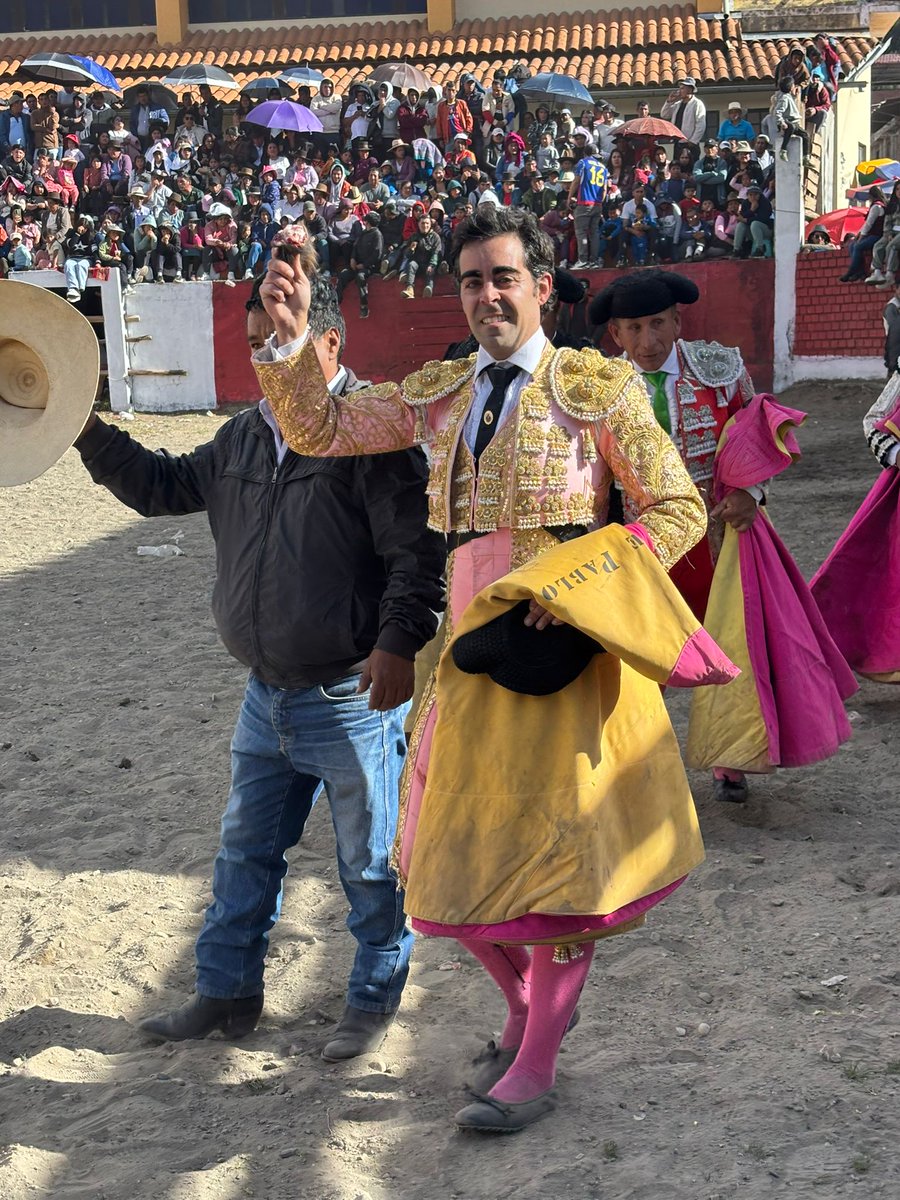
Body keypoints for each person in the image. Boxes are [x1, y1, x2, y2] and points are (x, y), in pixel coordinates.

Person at [251, 206, 710, 1132]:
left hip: (567, 649)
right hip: (468, 648)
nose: (487, 295)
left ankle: (536, 1059)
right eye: (471, 281)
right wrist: (293, 340)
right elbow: (319, 429)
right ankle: (524, 1012)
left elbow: (676, 510)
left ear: (543, 287)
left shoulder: (601, 387)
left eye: (504, 277)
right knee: (444, 864)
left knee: (560, 868)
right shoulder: (439, 392)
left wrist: (579, 582)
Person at [75, 261, 445, 1054]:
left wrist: (396, 643)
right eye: (254, 343)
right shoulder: (243, 433)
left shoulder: (372, 430)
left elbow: (416, 553)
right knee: (244, 851)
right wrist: (85, 427)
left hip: (352, 690)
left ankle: (373, 1000)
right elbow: (162, 486)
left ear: (329, 342)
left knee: (371, 865)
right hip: (266, 690)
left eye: (281, 338)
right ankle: (227, 993)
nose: (264, 355)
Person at [567, 143, 608, 269]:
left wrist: (569, 197)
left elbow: (576, 181)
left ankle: (583, 260)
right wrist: (600, 202)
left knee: (581, 233)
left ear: (585, 153)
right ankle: (593, 261)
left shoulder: (583, 163)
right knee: (594, 233)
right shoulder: (603, 167)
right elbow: (605, 189)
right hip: (597, 204)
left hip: (584, 202)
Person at [660, 78, 707, 152]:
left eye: (682, 88)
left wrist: (693, 141)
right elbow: (664, 114)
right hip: (678, 142)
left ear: (689, 90)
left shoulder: (697, 104)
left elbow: (701, 124)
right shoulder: (677, 104)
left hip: (690, 143)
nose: (679, 91)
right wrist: (669, 101)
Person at [774, 79, 812, 166]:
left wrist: (795, 96)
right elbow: (778, 111)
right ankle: (783, 149)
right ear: (791, 87)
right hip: (787, 122)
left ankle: (805, 157)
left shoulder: (788, 96)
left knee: (805, 135)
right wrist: (781, 122)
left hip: (794, 122)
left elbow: (791, 107)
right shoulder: (784, 98)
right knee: (790, 127)